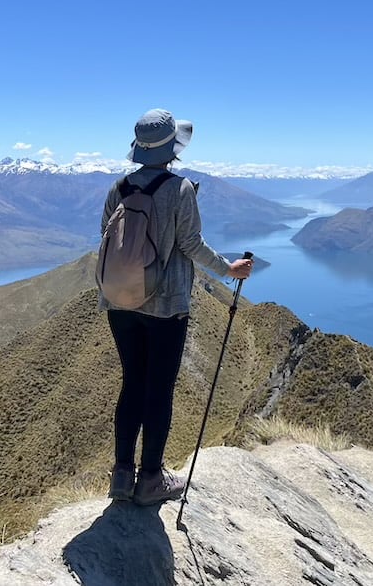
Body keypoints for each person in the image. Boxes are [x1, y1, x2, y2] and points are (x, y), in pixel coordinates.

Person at [99, 108, 252, 506]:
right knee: (159, 390)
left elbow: (106, 239)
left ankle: (120, 475)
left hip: (119, 302)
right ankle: (150, 479)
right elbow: (191, 245)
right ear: (172, 149)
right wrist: (229, 269)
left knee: (132, 382)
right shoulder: (180, 189)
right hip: (165, 307)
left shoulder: (119, 188)